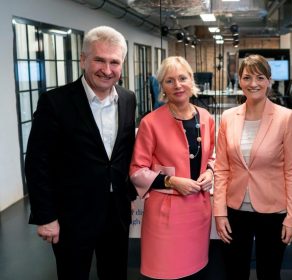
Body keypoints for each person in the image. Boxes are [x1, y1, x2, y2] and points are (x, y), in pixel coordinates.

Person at [25, 26, 137, 280]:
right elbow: (37, 162)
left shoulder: (128, 99)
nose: (107, 70)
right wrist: (46, 216)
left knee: (115, 273)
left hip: (116, 212)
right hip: (71, 215)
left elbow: (124, 151)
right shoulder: (55, 102)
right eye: (99, 59)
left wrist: (129, 195)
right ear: (83, 59)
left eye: (114, 62)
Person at [213, 54, 292, 280]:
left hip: (273, 210)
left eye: (260, 77)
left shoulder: (286, 118)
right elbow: (222, 169)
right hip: (235, 208)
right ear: (239, 81)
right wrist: (220, 212)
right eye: (247, 77)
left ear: (269, 81)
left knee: (269, 273)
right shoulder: (227, 117)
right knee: (234, 272)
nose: (254, 84)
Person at [129, 56, 215, 279]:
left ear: (191, 81)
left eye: (182, 78)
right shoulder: (150, 122)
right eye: (169, 81)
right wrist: (171, 181)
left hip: (199, 211)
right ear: (162, 87)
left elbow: (214, 156)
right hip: (165, 216)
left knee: (196, 271)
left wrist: (210, 171)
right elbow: (137, 171)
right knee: (166, 272)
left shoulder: (206, 118)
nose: (177, 85)